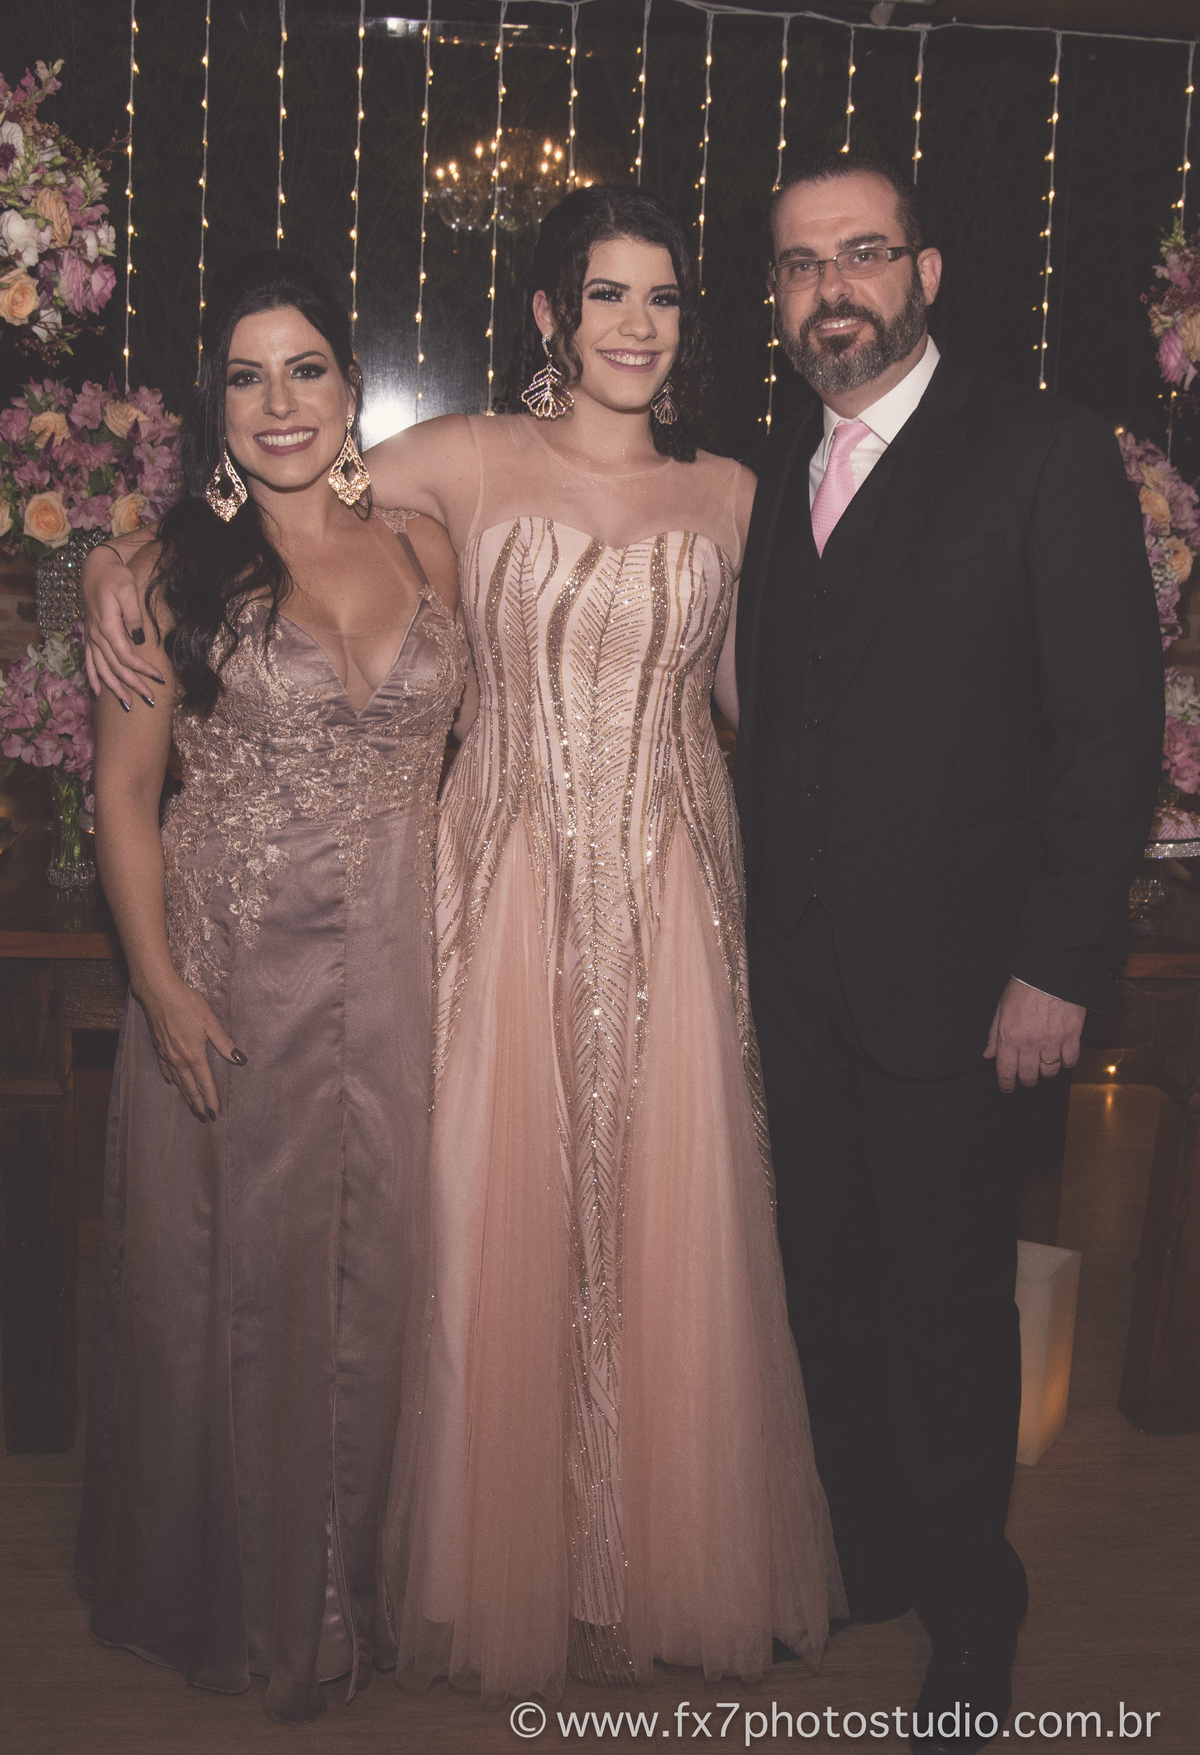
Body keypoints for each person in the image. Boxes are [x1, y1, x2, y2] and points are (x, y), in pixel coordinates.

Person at [80, 190, 844, 1708]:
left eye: (664, 296)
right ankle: (404, 1571)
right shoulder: (461, 466)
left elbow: (786, 703)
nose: (635, 323)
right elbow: (263, 505)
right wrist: (118, 547)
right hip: (477, 897)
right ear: (553, 315)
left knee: (619, 1253)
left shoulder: (724, 495)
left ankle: (627, 1559)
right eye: (605, 293)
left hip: (647, 901)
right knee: (445, 1256)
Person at [733, 153, 1164, 1755]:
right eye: (800, 264)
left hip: (973, 996)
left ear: (927, 272)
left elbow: (1111, 730)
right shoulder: (775, 464)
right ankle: (874, 1551)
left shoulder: (1044, 451)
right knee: (828, 1287)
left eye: (862, 253)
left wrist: (1059, 961)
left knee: (948, 1309)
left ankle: (976, 1607)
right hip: (795, 988)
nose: (830, 287)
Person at [75, 252, 466, 1724]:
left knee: (386, 1285)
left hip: (412, 974)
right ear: (216, 406)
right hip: (235, 975)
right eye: (247, 376)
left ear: (353, 391)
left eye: (306, 369)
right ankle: (235, 1599)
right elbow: (124, 799)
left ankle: (362, 1589)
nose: (280, 401)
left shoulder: (426, 545)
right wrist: (159, 986)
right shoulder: (168, 574)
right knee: (228, 1292)